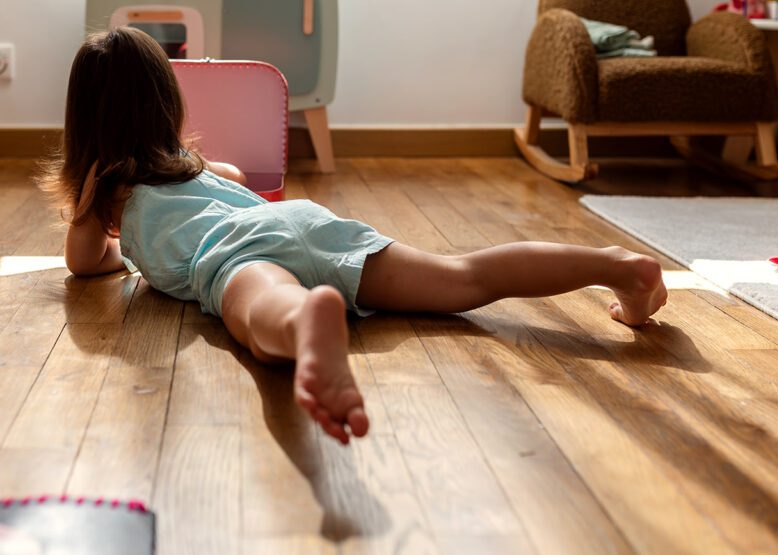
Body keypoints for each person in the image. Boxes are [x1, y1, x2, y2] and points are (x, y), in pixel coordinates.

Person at [40, 28, 668, 445]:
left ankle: (307, 322)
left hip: (232, 258)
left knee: (261, 308)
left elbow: (86, 265)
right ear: (165, 102)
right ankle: (617, 265)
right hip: (305, 223)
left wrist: (114, 228)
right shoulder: (199, 166)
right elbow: (234, 177)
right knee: (465, 277)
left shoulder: (106, 193)